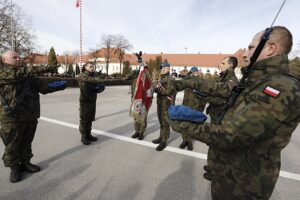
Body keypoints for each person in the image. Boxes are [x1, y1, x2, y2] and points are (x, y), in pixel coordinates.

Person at [168, 26, 300, 200]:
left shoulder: (280, 88)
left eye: (251, 48)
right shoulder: (255, 81)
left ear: (270, 48)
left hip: (244, 185)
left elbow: (233, 135)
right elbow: (219, 90)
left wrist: (183, 124)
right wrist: (187, 83)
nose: (245, 54)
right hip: (226, 175)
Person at [0, 51, 66, 183]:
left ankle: (26, 163)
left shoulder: (27, 74)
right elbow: (17, 75)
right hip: (11, 117)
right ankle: (14, 168)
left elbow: (43, 88)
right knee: (12, 145)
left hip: (30, 115)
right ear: (4, 60)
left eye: (19, 57)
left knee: (26, 142)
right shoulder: (4, 73)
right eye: (15, 57)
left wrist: (57, 86)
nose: (19, 59)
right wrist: (46, 67)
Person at [203, 56, 239, 181]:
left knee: (218, 144)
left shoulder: (232, 80)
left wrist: (206, 97)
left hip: (222, 116)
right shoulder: (222, 77)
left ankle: (217, 172)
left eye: (223, 63)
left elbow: (223, 98)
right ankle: (212, 165)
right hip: (215, 114)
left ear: (230, 65)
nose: (220, 65)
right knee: (213, 142)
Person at [78, 62, 106, 145]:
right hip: (85, 101)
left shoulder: (94, 75)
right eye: (90, 66)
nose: (92, 68)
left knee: (90, 119)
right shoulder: (82, 75)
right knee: (84, 120)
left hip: (92, 100)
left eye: (93, 67)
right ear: (85, 67)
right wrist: (99, 79)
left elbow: (96, 85)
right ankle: (83, 137)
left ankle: (88, 134)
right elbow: (90, 80)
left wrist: (100, 88)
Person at [179, 66, 206, 151]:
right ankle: (184, 140)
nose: (194, 74)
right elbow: (183, 79)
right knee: (183, 125)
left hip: (195, 107)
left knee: (190, 126)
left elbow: (204, 97)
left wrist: (201, 109)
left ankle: (189, 142)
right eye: (192, 73)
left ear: (198, 72)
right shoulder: (188, 81)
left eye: (195, 72)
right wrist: (188, 74)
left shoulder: (201, 82)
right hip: (186, 106)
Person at [152, 62, 176, 151]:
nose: (162, 69)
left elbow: (169, 91)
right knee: (161, 122)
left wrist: (159, 91)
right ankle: (161, 137)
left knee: (165, 123)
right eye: (162, 68)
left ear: (169, 69)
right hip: (160, 104)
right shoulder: (162, 78)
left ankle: (164, 142)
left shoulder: (170, 79)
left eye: (165, 68)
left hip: (166, 105)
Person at [129, 63, 153, 140]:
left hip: (144, 100)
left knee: (143, 117)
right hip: (136, 99)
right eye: (142, 69)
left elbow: (150, 88)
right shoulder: (137, 77)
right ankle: (137, 131)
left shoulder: (148, 79)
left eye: (145, 70)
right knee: (136, 116)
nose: (143, 72)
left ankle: (141, 132)